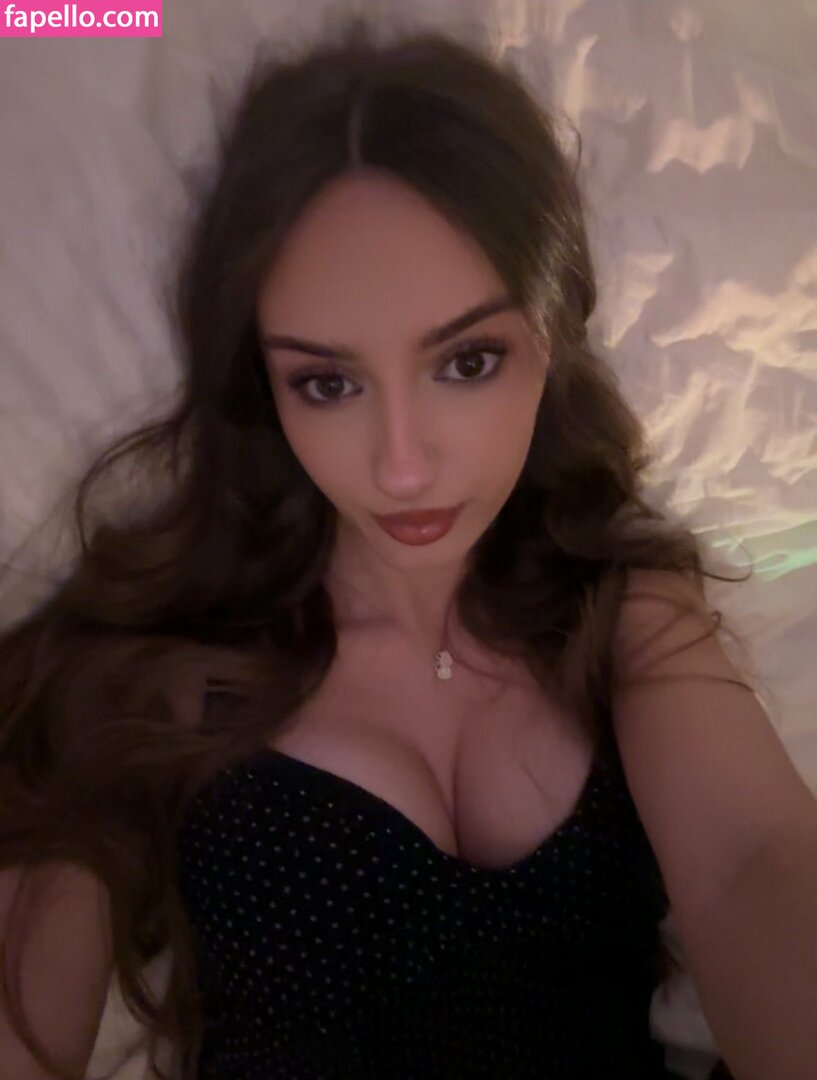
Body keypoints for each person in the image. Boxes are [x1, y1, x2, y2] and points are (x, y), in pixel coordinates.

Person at [1, 13, 815, 1080]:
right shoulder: (146, 661)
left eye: (466, 362)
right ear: (262, 384)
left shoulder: (623, 614)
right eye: (327, 382)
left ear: (550, 338)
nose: (400, 467)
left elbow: (754, 866)